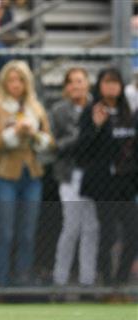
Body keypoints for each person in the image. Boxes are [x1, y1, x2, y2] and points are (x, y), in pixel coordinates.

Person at [0, 60, 54, 286]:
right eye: (11, 80)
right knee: (5, 232)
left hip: (31, 175)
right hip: (5, 175)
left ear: (27, 83)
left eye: (20, 80)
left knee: (28, 232)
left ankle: (24, 278)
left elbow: (48, 142)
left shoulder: (36, 107)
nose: (16, 84)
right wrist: (16, 130)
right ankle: (2, 281)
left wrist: (33, 133)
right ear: (5, 83)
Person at [77, 68, 138, 286]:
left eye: (116, 82)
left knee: (133, 234)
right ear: (100, 86)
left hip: (125, 185)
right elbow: (82, 152)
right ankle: (106, 282)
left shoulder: (128, 113)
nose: (112, 86)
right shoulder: (91, 112)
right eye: (107, 82)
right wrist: (96, 126)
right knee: (107, 234)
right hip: (102, 185)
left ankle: (120, 282)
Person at [51, 67, 99, 287]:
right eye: (71, 82)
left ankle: (87, 280)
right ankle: (59, 280)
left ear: (87, 83)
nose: (76, 86)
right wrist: (80, 136)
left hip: (93, 175)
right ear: (66, 87)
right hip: (69, 174)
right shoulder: (59, 110)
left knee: (91, 228)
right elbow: (55, 145)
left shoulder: (98, 108)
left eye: (80, 81)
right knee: (71, 227)